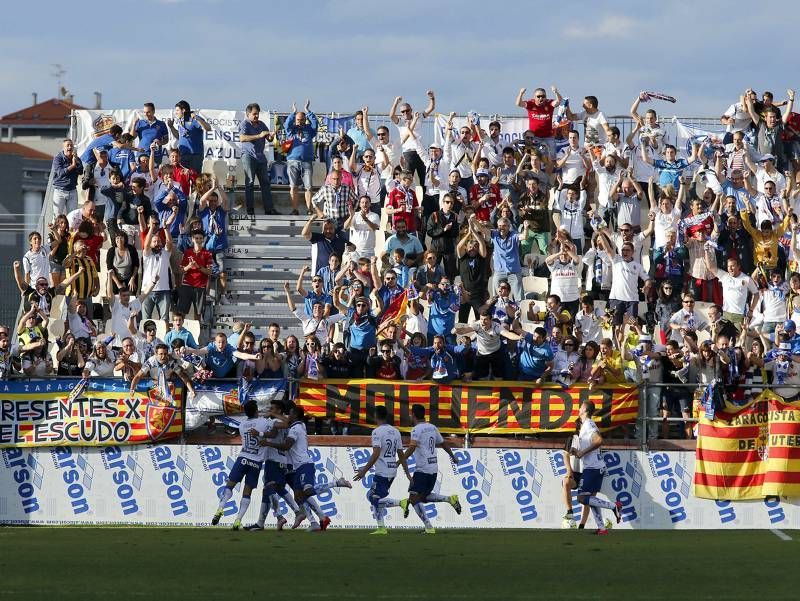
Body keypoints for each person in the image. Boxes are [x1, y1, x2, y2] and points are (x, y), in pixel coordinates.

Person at [260, 406, 328, 531]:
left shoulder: (292, 427)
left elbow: (285, 443)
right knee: (297, 494)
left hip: (288, 464)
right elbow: (277, 431)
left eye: (289, 413)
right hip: (291, 464)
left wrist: (272, 417)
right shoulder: (298, 425)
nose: (288, 415)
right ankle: (318, 518)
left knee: (300, 492)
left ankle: (292, 516)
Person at [398, 404, 461, 534]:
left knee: (414, 498)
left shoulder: (416, 429)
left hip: (423, 469)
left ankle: (428, 527)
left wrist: (400, 460)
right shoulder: (432, 427)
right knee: (423, 497)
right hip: (433, 468)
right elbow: (443, 443)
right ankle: (449, 499)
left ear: (413, 415)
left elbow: (412, 447)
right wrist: (453, 456)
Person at [209, 401, 269, 530]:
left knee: (230, 485)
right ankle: (238, 520)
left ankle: (220, 508)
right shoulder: (263, 422)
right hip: (256, 462)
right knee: (247, 492)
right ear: (257, 410)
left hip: (243, 458)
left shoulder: (242, 425)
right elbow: (271, 428)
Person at [353, 405, 410, 534]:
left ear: (376, 416)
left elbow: (376, 453)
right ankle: (381, 527)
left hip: (382, 471)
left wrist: (364, 471)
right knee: (376, 497)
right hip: (392, 471)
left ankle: (401, 503)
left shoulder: (377, 432)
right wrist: (407, 474)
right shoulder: (395, 431)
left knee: (372, 497)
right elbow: (401, 454)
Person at [569, 401, 622, 534]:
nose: (579, 408)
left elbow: (599, 441)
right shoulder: (585, 426)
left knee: (581, 497)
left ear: (585, 410)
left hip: (593, 468)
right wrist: (577, 451)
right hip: (594, 467)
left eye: (581, 406)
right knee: (591, 498)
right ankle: (602, 528)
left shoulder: (588, 424)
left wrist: (582, 452)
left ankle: (613, 506)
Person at [285, 100, 319, 215]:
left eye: (302, 119)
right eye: (298, 120)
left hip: (307, 161)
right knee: (293, 186)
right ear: (295, 120)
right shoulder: (291, 130)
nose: (300, 122)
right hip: (292, 161)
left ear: (305, 120)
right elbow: (286, 124)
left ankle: (309, 209)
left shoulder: (310, 130)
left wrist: (308, 111)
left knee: (308, 187)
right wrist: (293, 112)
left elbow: (315, 124)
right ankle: (295, 210)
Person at [167, 100, 211, 174]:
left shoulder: (194, 119)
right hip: (183, 155)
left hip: (195, 155)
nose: (176, 112)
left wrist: (197, 118)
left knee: (195, 177)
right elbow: (179, 136)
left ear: (183, 110)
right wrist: (171, 127)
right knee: (184, 178)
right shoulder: (181, 121)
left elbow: (208, 128)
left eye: (177, 110)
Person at [52, 139, 83, 215]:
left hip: (72, 191)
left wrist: (76, 162)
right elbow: (60, 172)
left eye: (71, 145)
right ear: (63, 147)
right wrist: (72, 166)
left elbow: (81, 171)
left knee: (72, 216)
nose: (69, 147)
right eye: (67, 146)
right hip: (60, 191)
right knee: (57, 216)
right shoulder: (58, 158)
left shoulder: (76, 158)